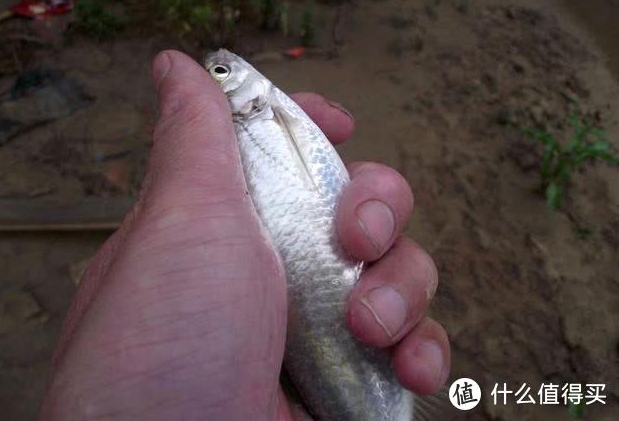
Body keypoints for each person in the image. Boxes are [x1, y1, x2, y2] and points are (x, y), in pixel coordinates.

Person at [39, 51, 451, 420]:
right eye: (221, 71)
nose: (225, 65)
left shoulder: (243, 134)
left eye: (219, 71)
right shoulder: (242, 129)